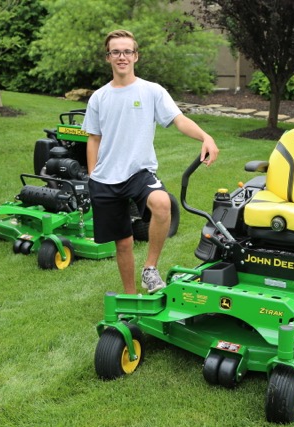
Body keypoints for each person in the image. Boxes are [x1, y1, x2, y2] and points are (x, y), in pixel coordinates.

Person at [82, 29, 219, 295]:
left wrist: (205, 136)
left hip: (139, 171)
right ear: (107, 57)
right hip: (105, 178)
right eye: (116, 52)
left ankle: (150, 268)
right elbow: (94, 138)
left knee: (162, 202)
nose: (122, 57)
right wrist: (92, 175)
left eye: (127, 51)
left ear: (136, 56)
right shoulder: (99, 97)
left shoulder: (151, 91)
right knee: (123, 243)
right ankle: (131, 296)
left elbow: (179, 120)